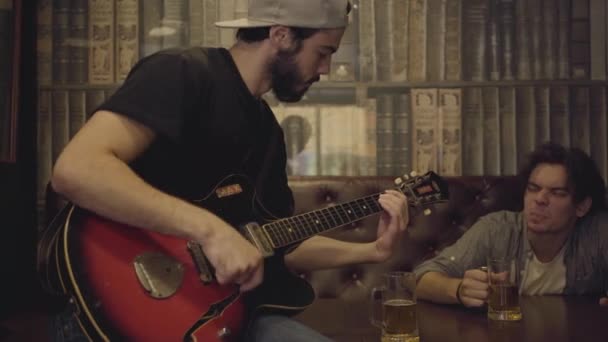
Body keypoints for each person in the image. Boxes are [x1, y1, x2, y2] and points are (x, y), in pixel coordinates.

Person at [47, 0, 409, 341]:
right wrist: (211, 232)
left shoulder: (267, 132)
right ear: (281, 36)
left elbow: (271, 244)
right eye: (324, 52)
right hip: (120, 300)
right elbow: (76, 169)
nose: (326, 69)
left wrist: (372, 251)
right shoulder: (183, 72)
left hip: (224, 314)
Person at [414, 142, 608, 308]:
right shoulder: (497, 229)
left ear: (582, 206)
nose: (540, 199)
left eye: (557, 192)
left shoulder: (598, 233)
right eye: (533, 188)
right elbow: (420, 278)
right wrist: (458, 289)